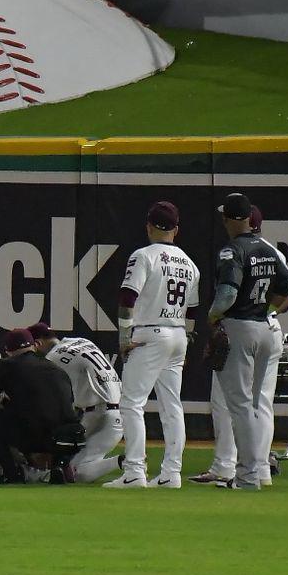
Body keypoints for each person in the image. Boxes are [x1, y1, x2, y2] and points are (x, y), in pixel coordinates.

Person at [108, 200, 199, 489]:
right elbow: (193, 310)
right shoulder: (189, 262)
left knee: (132, 403)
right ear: (177, 230)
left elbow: (126, 298)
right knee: (172, 405)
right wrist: (187, 337)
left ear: (148, 226)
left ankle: (134, 471)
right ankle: (172, 473)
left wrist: (124, 336)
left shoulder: (143, 255)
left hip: (150, 333)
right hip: (177, 334)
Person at [207, 193, 288, 491]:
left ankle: (246, 476)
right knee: (258, 405)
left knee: (241, 407)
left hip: (240, 328)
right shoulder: (268, 249)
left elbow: (228, 294)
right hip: (265, 328)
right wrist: (269, 309)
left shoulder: (232, 251)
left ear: (229, 219)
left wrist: (212, 315)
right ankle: (259, 471)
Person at [0, 328, 84, 484]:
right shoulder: (57, 369)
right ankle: (59, 467)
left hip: (37, 437)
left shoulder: (7, 365)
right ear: (34, 345)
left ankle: (12, 473)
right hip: (70, 439)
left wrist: (2, 401)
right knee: (52, 419)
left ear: (8, 350)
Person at [30, 322, 123, 484]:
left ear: (38, 344)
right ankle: (128, 460)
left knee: (74, 472)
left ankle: (127, 461)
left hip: (99, 415)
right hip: (119, 412)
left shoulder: (52, 359)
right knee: (74, 465)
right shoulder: (83, 341)